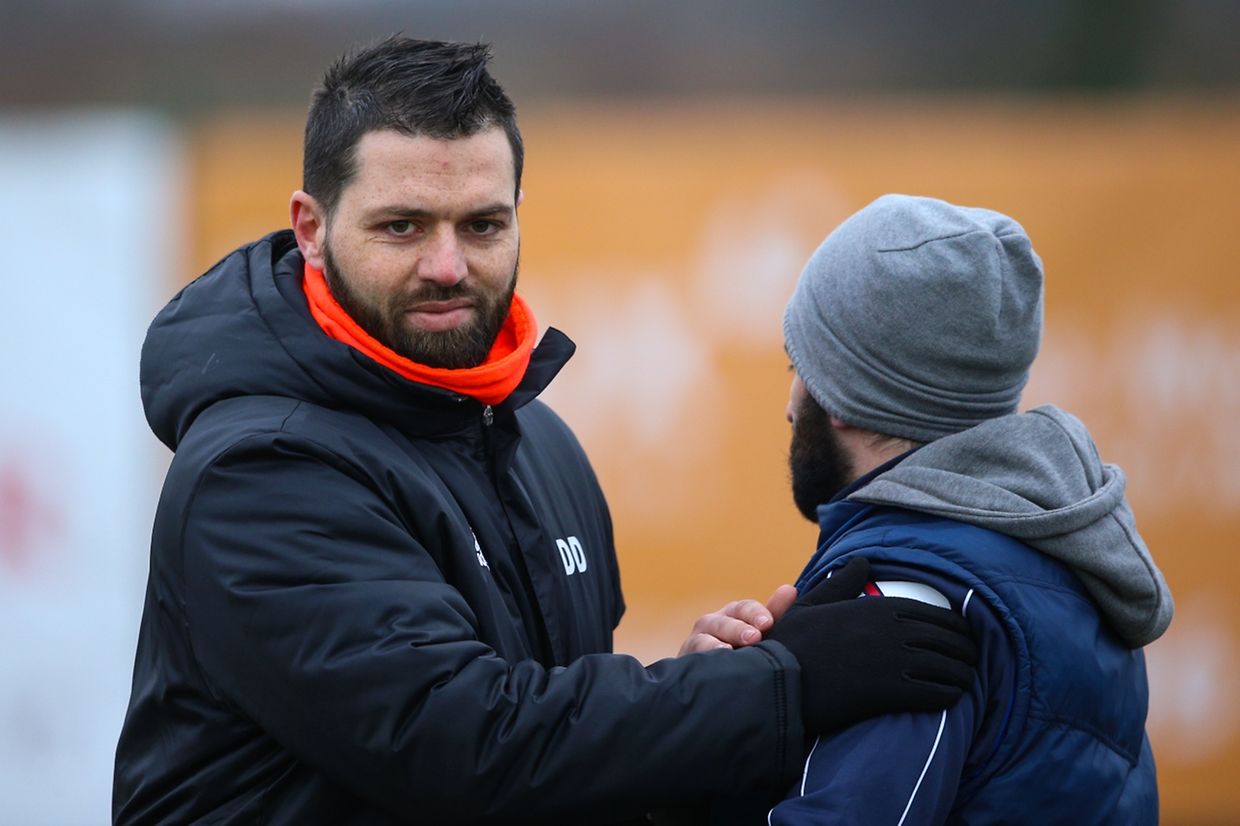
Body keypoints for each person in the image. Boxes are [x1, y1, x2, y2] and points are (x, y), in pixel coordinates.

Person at [112, 40, 980, 825]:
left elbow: (559, 754)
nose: (447, 265)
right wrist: (775, 687)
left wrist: (715, 690)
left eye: (482, 224)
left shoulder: (539, 440)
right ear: (312, 228)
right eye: (402, 225)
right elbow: (463, 746)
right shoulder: (261, 467)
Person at [762, 194, 1171, 824]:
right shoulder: (1067, 544)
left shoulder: (908, 599)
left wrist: (693, 769)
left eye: (799, 367)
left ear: (840, 395)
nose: (789, 405)